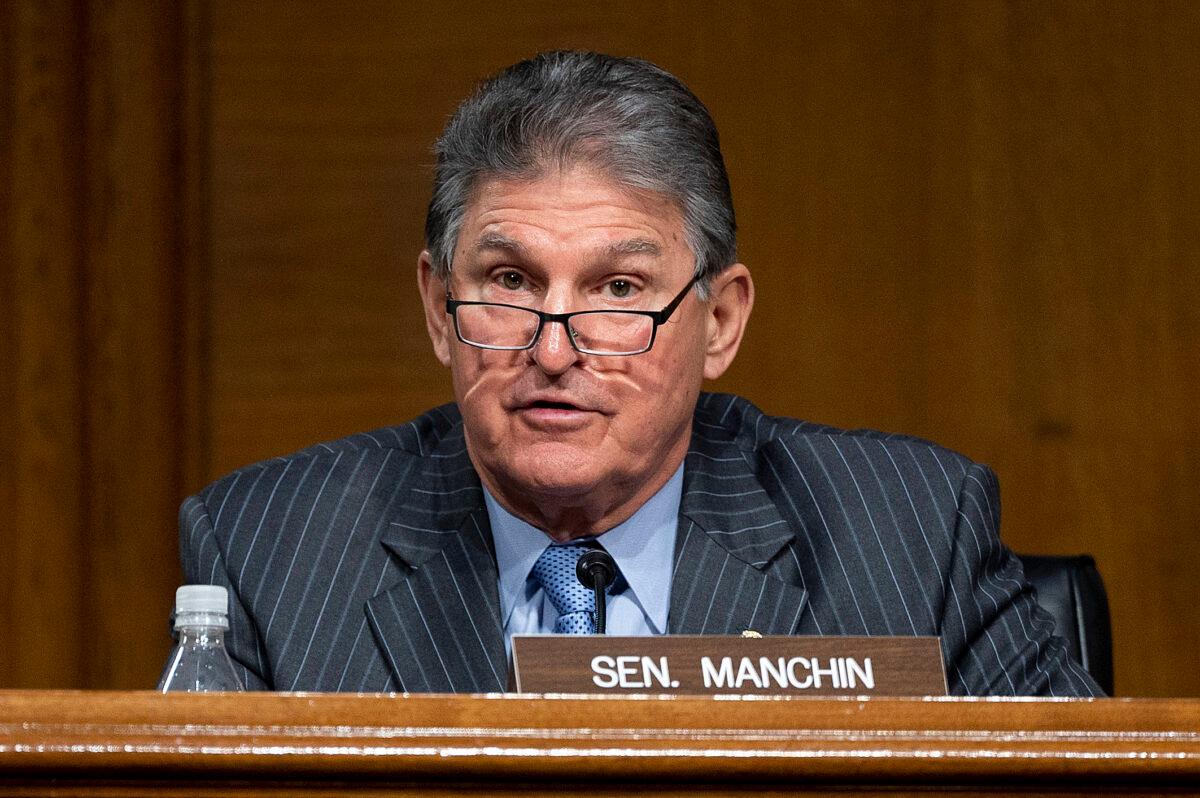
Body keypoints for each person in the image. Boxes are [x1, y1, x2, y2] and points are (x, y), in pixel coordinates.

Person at [178, 50, 1102, 696]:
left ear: (721, 322)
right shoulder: (270, 552)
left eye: (619, 290)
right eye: (509, 282)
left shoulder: (908, 537)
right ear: (436, 308)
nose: (552, 351)